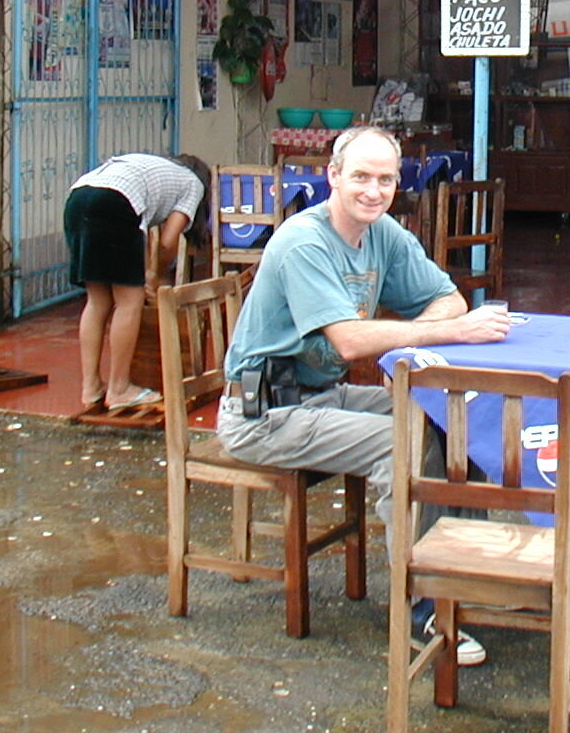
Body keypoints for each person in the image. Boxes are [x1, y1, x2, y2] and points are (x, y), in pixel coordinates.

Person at [216, 125, 510, 665]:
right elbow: (351, 341)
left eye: (385, 179)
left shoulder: (384, 235)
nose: (373, 191)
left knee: (455, 420)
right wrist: (436, 334)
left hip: (323, 396)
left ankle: (466, 574)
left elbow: (447, 299)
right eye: (360, 177)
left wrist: (432, 328)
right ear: (332, 177)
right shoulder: (304, 240)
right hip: (263, 412)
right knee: (402, 444)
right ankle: (422, 608)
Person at [64, 152, 211, 410]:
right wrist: (153, 278)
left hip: (78, 198)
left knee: (98, 300)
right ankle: (119, 389)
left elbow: (140, 231)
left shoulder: (153, 168)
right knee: (129, 302)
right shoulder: (194, 184)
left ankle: (91, 387)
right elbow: (168, 242)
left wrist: (146, 272)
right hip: (115, 204)